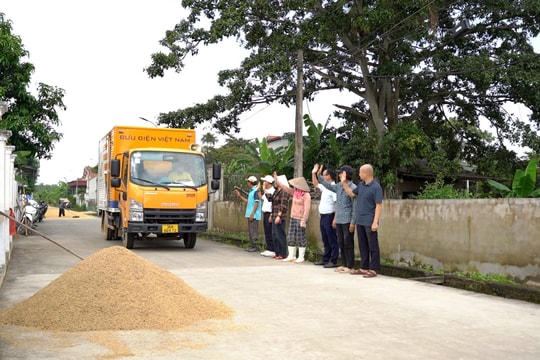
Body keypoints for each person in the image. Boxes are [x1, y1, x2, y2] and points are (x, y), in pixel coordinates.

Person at [314, 164, 357, 273]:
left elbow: (354, 206)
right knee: (341, 242)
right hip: (339, 219)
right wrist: (318, 174)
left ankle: (350, 265)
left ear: (345, 174)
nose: (338, 175)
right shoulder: (338, 186)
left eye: (341, 173)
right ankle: (344, 264)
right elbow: (327, 185)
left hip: (347, 219)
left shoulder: (353, 188)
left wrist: (353, 222)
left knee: (348, 243)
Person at [343, 164, 383, 278]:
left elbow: (378, 205)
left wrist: (375, 222)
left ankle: (374, 269)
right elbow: (351, 194)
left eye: (360, 172)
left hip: (370, 220)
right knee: (363, 245)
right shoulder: (361, 185)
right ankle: (364, 267)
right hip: (360, 221)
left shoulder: (376, 187)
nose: (359, 174)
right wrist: (344, 183)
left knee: (372, 245)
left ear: (366, 173)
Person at [275, 175, 311, 263]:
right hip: (293, 217)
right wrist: (278, 181)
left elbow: (307, 209)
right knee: (291, 236)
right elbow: (285, 188)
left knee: (300, 237)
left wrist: (303, 220)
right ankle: (291, 255)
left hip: (300, 218)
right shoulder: (295, 192)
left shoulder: (306, 195)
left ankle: (301, 256)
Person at [311, 165, 338, 268]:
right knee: (325, 238)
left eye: (324, 174)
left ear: (329, 176)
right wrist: (314, 173)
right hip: (323, 216)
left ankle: (333, 260)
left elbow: (336, 204)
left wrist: (335, 218)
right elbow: (316, 184)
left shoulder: (333, 188)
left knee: (332, 239)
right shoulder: (326, 187)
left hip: (330, 216)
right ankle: (325, 258)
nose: (322, 176)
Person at [234, 175, 262, 252]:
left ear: (250, 183)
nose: (247, 183)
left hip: (254, 215)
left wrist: (252, 214)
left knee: (253, 231)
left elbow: (257, 203)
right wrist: (240, 196)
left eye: (248, 182)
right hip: (250, 214)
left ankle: (254, 246)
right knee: (251, 231)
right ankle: (252, 246)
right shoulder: (252, 191)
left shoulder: (256, 191)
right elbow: (248, 201)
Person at [268, 173, 290, 260]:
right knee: (274, 234)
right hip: (274, 215)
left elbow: (283, 204)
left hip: (279, 216)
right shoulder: (276, 191)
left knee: (280, 234)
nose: (275, 183)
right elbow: (272, 200)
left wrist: (279, 215)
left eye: (276, 181)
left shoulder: (284, 192)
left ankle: (282, 253)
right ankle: (277, 252)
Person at [259, 175, 276, 257]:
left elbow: (273, 203)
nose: (264, 183)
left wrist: (271, 215)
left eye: (265, 181)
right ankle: (269, 248)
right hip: (265, 212)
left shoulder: (272, 191)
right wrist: (259, 190)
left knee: (270, 231)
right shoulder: (267, 190)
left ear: (268, 182)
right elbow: (262, 198)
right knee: (266, 231)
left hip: (270, 213)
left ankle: (272, 249)